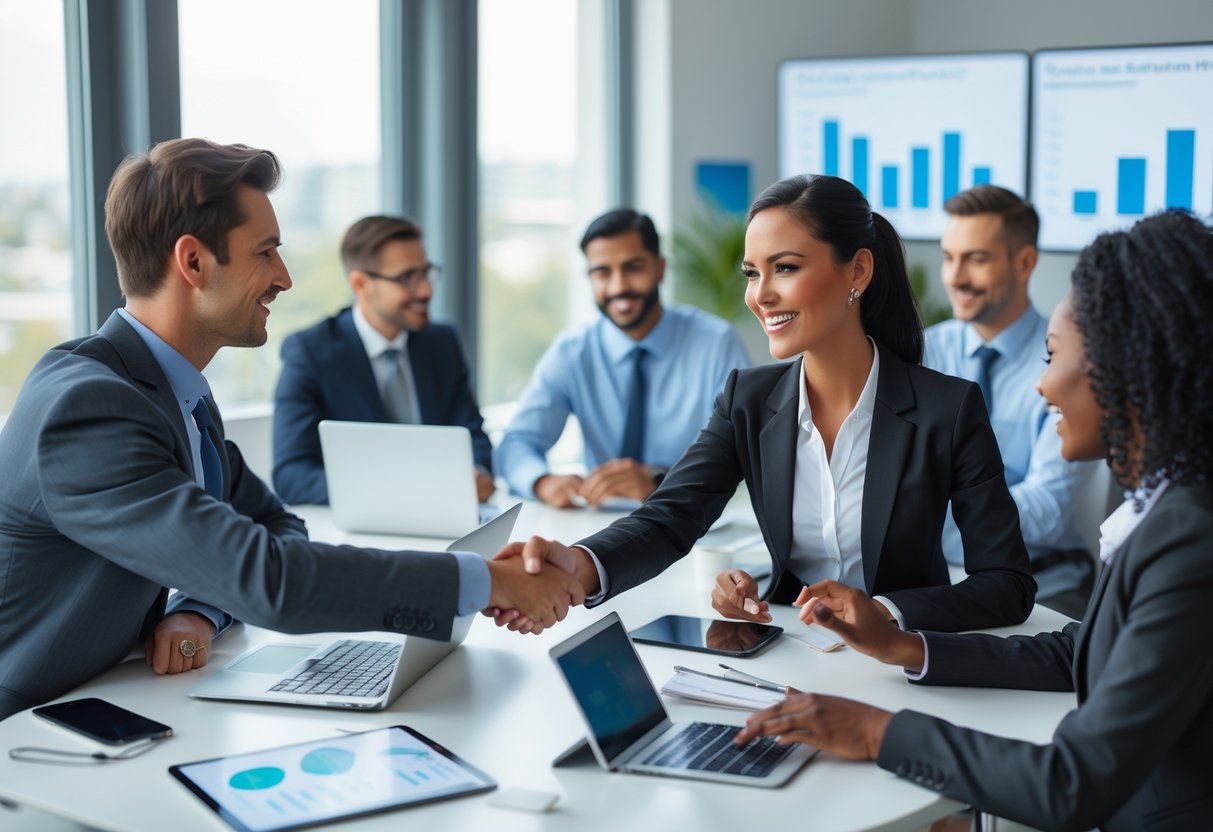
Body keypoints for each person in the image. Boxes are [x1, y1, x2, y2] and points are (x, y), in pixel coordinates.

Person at [0, 138, 581, 721]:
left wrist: (200, 608)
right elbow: (267, 577)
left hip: (110, 705)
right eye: (266, 252)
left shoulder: (175, 392)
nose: (285, 278)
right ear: (193, 262)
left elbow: (277, 525)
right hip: (25, 734)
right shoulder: (90, 407)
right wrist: (483, 582)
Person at [736, 210, 1213, 832]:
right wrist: (902, 644)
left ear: (1125, 367)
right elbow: (1078, 653)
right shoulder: (1168, 511)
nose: (1041, 386)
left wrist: (877, 731)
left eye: (1054, 355)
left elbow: (1073, 784)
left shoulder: (1188, 539)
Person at [493, 175, 1035, 635]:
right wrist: (578, 566)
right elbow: (668, 520)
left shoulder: (949, 408)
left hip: (904, 663)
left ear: (858, 272)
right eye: (753, 273)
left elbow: (1007, 585)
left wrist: (886, 613)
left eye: (786, 268)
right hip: (791, 654)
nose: (760, 295)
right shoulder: (747, 401)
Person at [494, 208, 750, 508]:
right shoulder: (572, 352)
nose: (618, 287)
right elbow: (517, 443)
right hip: (597, 525)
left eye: (633, 268)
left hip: (695, 519)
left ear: (660, 268)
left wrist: (659, 479)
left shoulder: (716, 343)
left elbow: (743, 450)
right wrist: (541, 481)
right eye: (602, 272)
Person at [926, 185, 1096, 592]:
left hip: (1045, 578)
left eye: (976, 259)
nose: (955, 277)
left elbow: (1049, 508)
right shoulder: (922, 352)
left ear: (1024, 263)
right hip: (938, 576)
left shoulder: (1065, 365)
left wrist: (931, 509)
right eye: (948, 258)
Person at [272, 215, 493, 506]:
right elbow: (291, 475)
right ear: (362, 284)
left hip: (445, 514)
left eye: (426, 273)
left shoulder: (442, 342)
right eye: (407, 278)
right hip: (362, 533)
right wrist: (400, 492)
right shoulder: (311, 351)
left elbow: (474, 437)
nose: (426, 290)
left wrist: (477, 473)